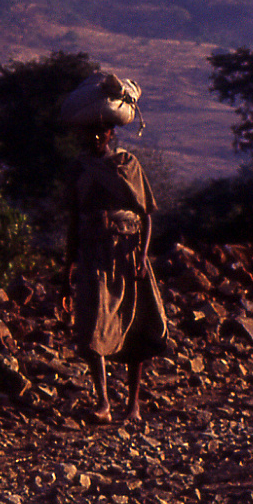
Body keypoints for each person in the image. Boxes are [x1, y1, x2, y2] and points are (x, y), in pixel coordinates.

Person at [62, 74, 167, 424]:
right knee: (93, 327)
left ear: (111, 132)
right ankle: (103, 402)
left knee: (134, 324)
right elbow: (74, 221)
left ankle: (133, 404)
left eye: (101, 131)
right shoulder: (79, 169)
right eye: (89, 132)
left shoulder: (127, 165)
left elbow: (147, 214)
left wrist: (142, 256)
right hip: (93, 254)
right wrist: (67, 270)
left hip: (127, 253)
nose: (95, 137)